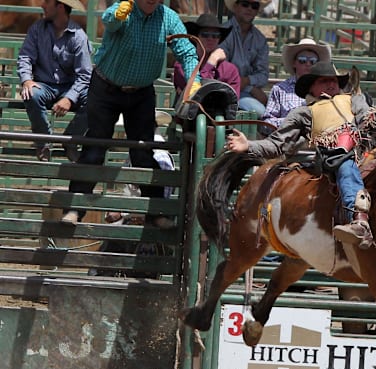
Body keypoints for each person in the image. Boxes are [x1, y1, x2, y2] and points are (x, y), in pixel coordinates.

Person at [61, 0, 201, 227]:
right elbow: (110, 21)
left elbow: (186, 51)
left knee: (144, 152)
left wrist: (194, 80)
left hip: (141, 93)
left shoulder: (169, 18)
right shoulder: (122, 9)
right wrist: (118, 16)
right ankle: (74, 208)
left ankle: (156, 212)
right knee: (95, 148)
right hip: (106, 88)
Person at [224, 61, 375, 248]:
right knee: (345, 164)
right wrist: (248, 145)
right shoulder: (303, 113)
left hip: (365, 144)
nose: (331, 85)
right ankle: (358, 220)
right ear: (312, 87)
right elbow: (278, 143)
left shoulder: (354, 99)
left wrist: (364, 130)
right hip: (334, 155)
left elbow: (366, 116)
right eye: (324, 81)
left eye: (334, 81)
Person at [17, 0, 92, 162]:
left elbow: (85, 75)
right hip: (43, 85)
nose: (42, 5)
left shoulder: (78, 36)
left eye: (47, 2)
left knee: (94, 101)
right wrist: (27, 80)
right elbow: (25, 57)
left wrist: (69, 98)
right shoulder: (37, 29)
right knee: (31, 94)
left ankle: (72, 140)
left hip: (70, 88)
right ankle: (43, 142)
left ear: (59, 7)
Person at [207, 0, 270, 115]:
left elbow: (263, 75)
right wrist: (251, 88)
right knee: (261, 113)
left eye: (254, 6)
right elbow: (224, 75)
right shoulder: (224, 33)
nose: (249, 9)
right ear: (236, 7)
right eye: (245, 4)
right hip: (223, 91)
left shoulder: (260, 39)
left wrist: (246, 82)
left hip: (245, 93)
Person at [261, 38, 331, 131]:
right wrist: (293, 121)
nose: (308, 64)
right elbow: (266, 124)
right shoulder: (280, 89)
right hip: (286, 141)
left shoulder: (327, 89)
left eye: (313, 61)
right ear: (294, 63)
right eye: (302, 60)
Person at [173, 13, 241, 98]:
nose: (210, 39)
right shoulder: (182, 65)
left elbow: (233, 101)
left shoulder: (230, 70)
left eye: (215, 35)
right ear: (196, 36)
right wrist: (210, 63)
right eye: (205, 34)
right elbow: (196, 95)